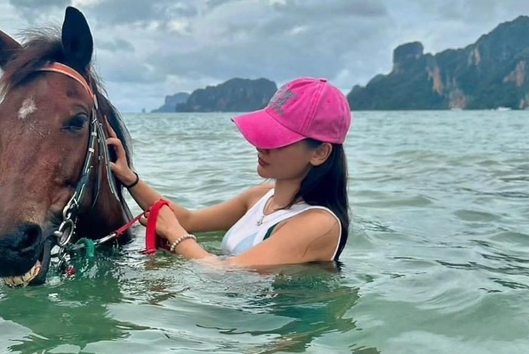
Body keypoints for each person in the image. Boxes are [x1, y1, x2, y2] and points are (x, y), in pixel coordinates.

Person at [106, 77, 351, 266]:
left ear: (319, 153)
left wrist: (173, 233)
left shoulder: (319, 224)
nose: (261, 146)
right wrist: (130, 179)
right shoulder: (261, 196)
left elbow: (228, 273)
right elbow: (189, 220)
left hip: (278, 327)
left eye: (278, 139)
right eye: (264, 132)